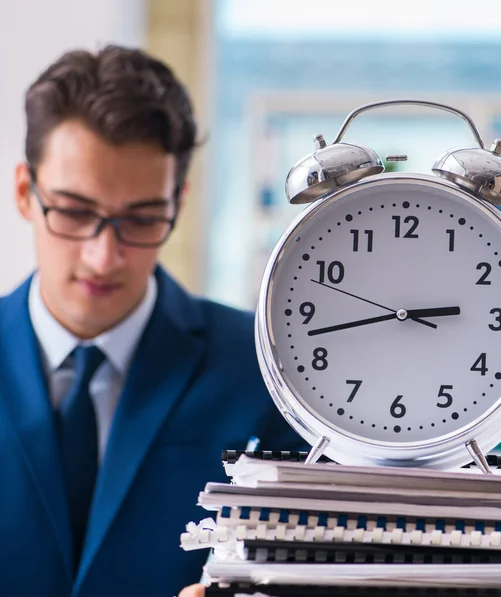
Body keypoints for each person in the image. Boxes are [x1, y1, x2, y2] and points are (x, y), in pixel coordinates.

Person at [0, 45, 304, 597]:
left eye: (141, 219)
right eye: (72, 211)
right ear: (25, 193)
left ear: (178, 205)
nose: (103, 256)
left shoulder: (268, 370)